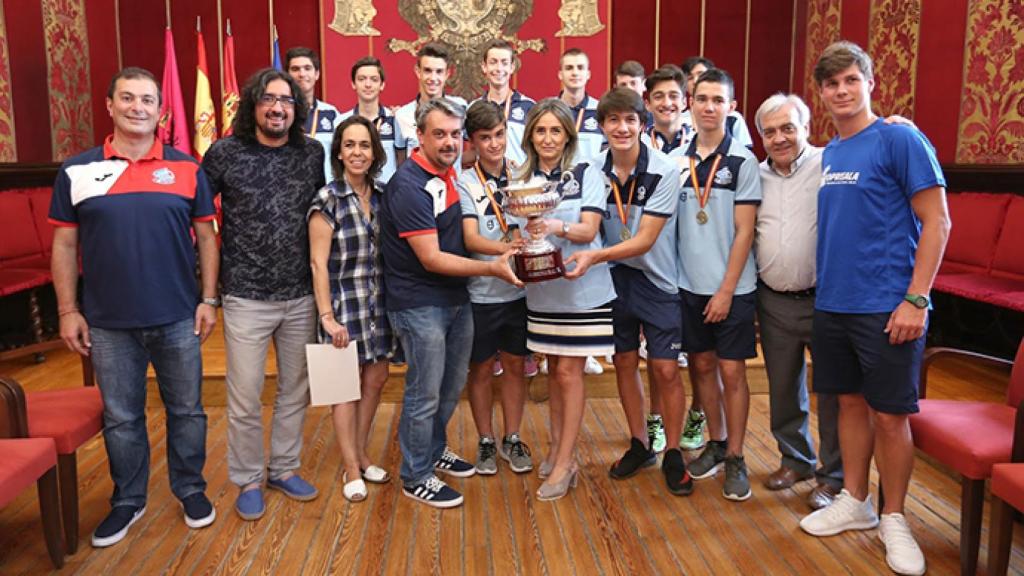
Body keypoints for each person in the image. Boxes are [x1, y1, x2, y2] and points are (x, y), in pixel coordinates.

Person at [50, 67, 218, 546]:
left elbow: (207, 237)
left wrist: (209, 299)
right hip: (107, 323)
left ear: (161, 111)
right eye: (127, 98)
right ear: (110, 105)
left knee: (187, 411)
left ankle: (190, 489)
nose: (137, 107)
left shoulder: (188, 169)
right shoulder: (76, 171)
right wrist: (67, 310)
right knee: (122, 418)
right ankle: (128, 499)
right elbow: (64, 245)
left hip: (178, 316)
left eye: (147, 100)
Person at [799, 42, 949, 576]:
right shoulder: (832, 153)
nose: (841, 91)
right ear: (821, 94)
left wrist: (916, 298)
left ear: (869, 83)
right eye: (831, 84)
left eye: (850, 80)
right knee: (848, 405)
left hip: (888, 305)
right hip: (833, 303)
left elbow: (938, 221)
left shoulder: (899, 138)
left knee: (889, 415)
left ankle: (895, 517)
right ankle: (856, 501)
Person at [381, 97, 522, 508]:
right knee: (424, 392)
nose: (449, 142)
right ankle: (415, 475)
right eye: (439, 134)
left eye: (455, 134)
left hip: (455, 298)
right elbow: (432, 258)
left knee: (448, 388)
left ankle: (434, 448)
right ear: (419, 136)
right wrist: (493, 268)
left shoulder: (449, 176)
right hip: (418, 304)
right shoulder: (408, 186)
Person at [202, 68, 325, 521]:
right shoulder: (224, 153)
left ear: (297, 108)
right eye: (269, 99)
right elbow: (198, 216)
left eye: (287, 101)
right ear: (253, 105)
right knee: (245, 395)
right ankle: (249, 478)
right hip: (245, 295)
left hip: (301, 295)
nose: (278, 108)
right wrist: (206, 293)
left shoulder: (312, 153)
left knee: (295, 391)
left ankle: (284, 468)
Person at [563, 88, 691, 496]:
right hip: (612, 280)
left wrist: (594, 256)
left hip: (657, 279)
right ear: (601, 126)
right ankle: (640, 443)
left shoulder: (665, 170)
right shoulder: (590, 170)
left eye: (630, 120)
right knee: (623, 362)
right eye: (613, 120)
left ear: (642, 124)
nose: (622, 127)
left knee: (665, 369)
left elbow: (645, 240)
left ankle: (673, 451)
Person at [516, 98, 616, 500]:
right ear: (530, 136)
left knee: (569, 374)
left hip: (581, 291)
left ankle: (566, 461)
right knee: (554, 371)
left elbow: (589, 229)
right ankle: (558, 448)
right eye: (540, 131)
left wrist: (555, 225)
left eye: (555, 130)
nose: (547, 138)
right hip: (543, 292)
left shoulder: (586, 172)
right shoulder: (522, 177)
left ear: (568, 136)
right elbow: (520, 232)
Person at [753, 93, 842, 510]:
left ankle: (834, 476)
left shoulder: (831, 164)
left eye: (788, 128)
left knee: (833, 391)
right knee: (783, 387)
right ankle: (796, 460)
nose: (779, 138)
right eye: (769, 132)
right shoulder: (755, 175)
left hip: (827, 300)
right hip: (774, 301)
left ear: (806, 127)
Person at [677, 68, 761, 502]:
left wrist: (726, 290)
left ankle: (736, 456)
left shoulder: (744, 161)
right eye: (702, 99)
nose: (709, 107)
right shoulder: (677, 160)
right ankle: (715, 440)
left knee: (732, 371)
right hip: (688, 287)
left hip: (734, 288)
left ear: (732, 107)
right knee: (702, 367)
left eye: (718, 100)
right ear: (690, 103)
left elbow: (745, 231)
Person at [309, 115, 396, 502]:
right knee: (343, 388)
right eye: (350, 145)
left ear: (374, 152)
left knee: (375, 380)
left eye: (364, 145)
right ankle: (350, 468)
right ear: (339, 153)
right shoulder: (326, 199)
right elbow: (317, 263)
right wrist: (327, 317)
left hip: (378, 306)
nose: (357, 152)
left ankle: (361, 454)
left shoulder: (383, 196)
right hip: (342, 308)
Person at [458, 100, 533, 476]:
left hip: (519, 291)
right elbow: (470, 238)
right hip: (482, 293)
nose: (494, 144)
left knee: (516, 365)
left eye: (500, 134)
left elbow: (535, 224)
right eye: (485, 137)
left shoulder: (524, 175)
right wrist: (507, 250)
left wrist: (526, 243)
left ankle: (513, 436)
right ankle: (486, 439)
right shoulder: (464, 181)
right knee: (483, 368)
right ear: (472, 141)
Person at [338, 56, 406, 184]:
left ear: (382, 85)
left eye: (374, 79)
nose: (368, 85)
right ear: (353, 84)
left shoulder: (395, 120)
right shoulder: (341, 122)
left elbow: (401, 161)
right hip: (353, 190)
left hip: (387, 192)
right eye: (362, 79)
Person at [395, 43, 468, 153]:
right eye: (427, 71)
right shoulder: (402, 115)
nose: (433, 78)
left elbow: (472, 151)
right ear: (418, 71)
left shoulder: (461, 107)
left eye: (439, 72)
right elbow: (400, 158)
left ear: (447, 74)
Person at [472, 39, 535, 167]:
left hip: (519, 177)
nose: (499, 68)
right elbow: (469, 151)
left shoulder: (529, 107)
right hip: (485, 178)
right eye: (493, 62)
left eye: (504, 63)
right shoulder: (474, 108)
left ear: (512, 67)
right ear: (484, 67)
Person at [286, 46, 341, 182]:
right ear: (287, 76)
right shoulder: (281, 113)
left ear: (317, 74)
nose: (302, 74)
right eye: (295, 69)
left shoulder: (331, 113)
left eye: (307, 68)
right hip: (289, 187)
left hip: (325, 188)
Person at [680, 57, 753, 150]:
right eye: (690, 78)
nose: (695, 80)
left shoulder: (733, 118)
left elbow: (745, 150)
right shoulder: (680, 120)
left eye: (701, 74)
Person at [557, 48, 605, 165]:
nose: (575, 73)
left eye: (580, 68)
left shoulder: (601, 110)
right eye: (569, 68)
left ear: (588, 74)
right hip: (556, 175)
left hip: (592, 175)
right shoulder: (548, 110)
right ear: (560, 74)